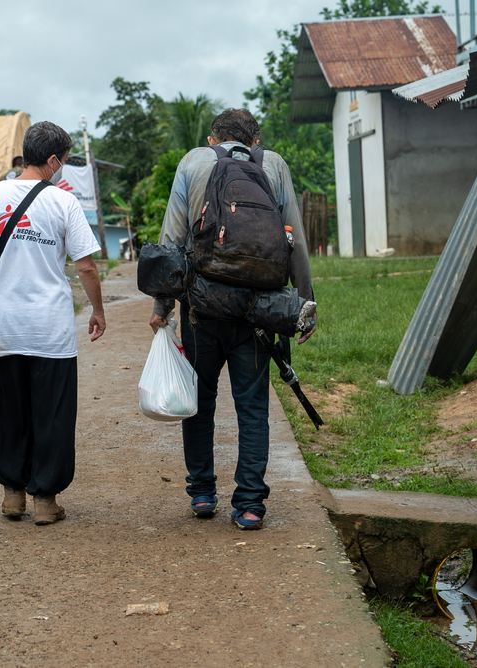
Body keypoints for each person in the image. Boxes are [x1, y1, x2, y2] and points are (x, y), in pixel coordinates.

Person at [148, 108, 316, 530]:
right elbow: (295, 241)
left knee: (198, 405)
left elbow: (172, 239)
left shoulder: (192, 162)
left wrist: (162, 308)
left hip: (202, 310)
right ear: (254, 140)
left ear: (212, 139)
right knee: (253, 408)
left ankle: (203, 493)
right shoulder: (272, 164)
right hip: (259, 314)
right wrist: (304, 307)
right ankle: (249, 504)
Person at [0, 121, 106, 525]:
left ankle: (12, 496)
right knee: (52, 413)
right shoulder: (64, 202)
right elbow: (85, 266)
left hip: (5, 326)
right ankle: (45, 501)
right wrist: (98, 310)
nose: (63, 168)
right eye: (63, 160)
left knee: (12, 410)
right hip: (51, 329)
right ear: (52, 160)